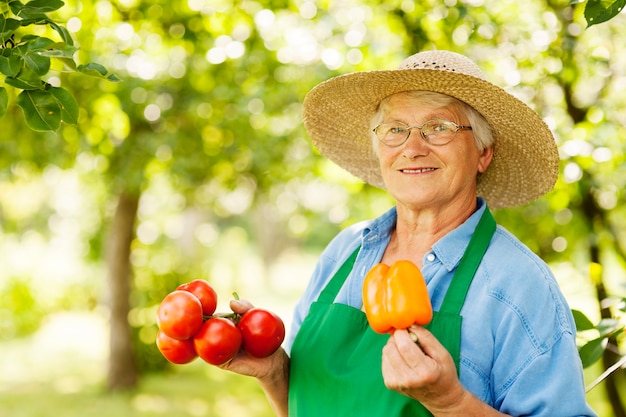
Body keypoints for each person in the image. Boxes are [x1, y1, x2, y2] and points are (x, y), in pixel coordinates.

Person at [223, 50, 597, 416]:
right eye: (396, 130)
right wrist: (273, 373)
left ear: (483, 153)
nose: (413, 148)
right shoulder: (344, 253)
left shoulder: (517, 284)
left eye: (439, 128)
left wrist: (451, 403)